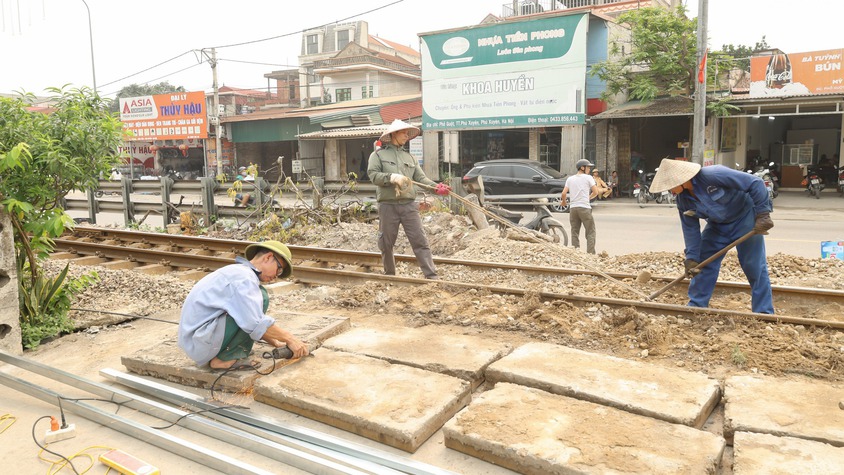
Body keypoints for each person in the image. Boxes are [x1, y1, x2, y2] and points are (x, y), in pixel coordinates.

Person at [649, 158, 775, 314]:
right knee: (702, 264)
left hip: (745, 218)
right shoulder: (683, 201)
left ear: (681, 180)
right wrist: (692, 258)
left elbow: (755, 183)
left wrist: (763, 214)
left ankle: (763, 312)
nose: (669, 191)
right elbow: (690, 229)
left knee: (754, 266)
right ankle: (697, 306)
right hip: (718, 226)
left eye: (670, 186)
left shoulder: (714, 174)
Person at [178, 240, 309, 370]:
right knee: (261, 298)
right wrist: (291, 340)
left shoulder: (239, 272)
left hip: (197, 340)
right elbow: (254, 322)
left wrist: (275, 342)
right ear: (268, 257)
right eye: (279, 270)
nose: (276, 276)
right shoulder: (244, 279)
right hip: (201, 342)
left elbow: (253, 319)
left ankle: (230, 351)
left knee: (256, 300)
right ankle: (224, 360)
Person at [367, 119, 450, 279]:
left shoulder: (410, 158)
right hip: (388, 205)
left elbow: (421, 178)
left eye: (407, 133)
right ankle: (390, 275)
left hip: (409, 206)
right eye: (403, 133)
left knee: (420, 241)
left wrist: (436, 187)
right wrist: (392, 177)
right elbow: (373, 175)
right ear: (393, 134)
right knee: (386, 243)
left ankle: (431, 276)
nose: (406, 136)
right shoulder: (377, 155)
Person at [560, 159, 599, 254]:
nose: (589, 169)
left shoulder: (570, 179)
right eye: (588, 167)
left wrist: (564, 202)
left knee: (574, 232)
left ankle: (576, 252)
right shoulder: (588, 178)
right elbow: (596, 192)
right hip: (584, 208)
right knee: (590, 231)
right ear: (582, 167)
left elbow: (564, 193)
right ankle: (590, 254)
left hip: (573, 209)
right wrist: (588, 198)